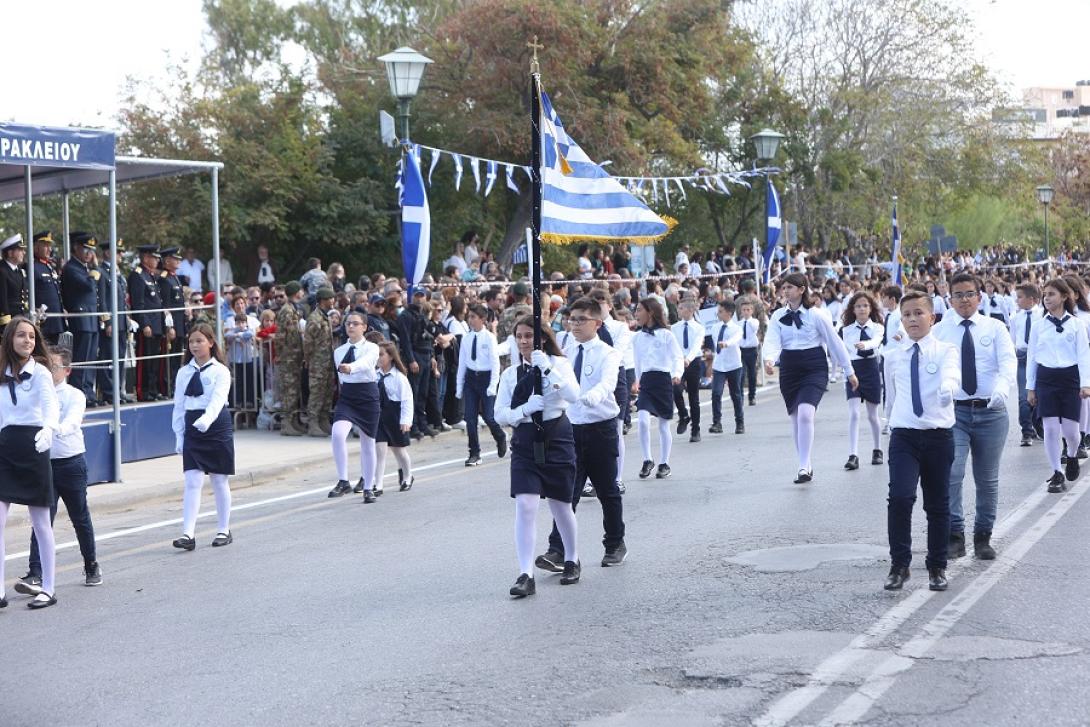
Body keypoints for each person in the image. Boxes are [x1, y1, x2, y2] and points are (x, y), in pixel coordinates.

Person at [538, 296, 626, 573]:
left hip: (600, 427)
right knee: (566, 492)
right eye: (571, 319)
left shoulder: (607, 353)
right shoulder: (565, 349)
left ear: (597, 323)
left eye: (581, 319)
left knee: (607, 490)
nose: (574, 324)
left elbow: (607, 383)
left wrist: (591, 398)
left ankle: (614, 543)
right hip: (570, 428)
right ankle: (557, 549)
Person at [931, 273, 1016, 561]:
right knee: (952, 473)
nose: (964, 299)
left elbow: (1007, 362)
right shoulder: (941, 330)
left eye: (969, 293)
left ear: (979, 297)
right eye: (958, 294)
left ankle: (983, 536)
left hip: (991, 411)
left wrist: (1002, 389)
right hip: (955, 412)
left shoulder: (995, 328)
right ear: (950, 298)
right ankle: (955, 533)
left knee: (987, 479)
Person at [494, 316, 581, 597]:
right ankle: (525, 573)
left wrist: (547, 369)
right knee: (526, 506)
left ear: (542, 337)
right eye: (519, 336)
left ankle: (571, 557)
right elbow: (499, 413)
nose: (523, 341)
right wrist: (523, 410)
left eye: (529, 335)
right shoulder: (511, 375)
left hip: (556, 437)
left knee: (560, 505)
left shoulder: (559, 365)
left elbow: (573, 395)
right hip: (525, 442)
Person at [883, 291, 959, 592]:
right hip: (904, 435)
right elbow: (890, 395)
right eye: (907, 315)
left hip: (938, 435)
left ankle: (937, 566)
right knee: (900, 497)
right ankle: (899, 565)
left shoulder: (945, 350)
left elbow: (952, 373)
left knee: (938, 504)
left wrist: (948, 387)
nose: (913, 319)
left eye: (918, 313)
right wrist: (887, 423)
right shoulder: (894, 356)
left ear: (932, 317)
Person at [20, 347, 101, 593]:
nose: (48, 371)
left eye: (53, 366)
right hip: (44, 463)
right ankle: (36, 571)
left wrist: (53, 429)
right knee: (42, 519)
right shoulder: (36, 394)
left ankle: (91, 564)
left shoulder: (74, 395)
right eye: (45, 366)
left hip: (71, 462)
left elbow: (73, 421)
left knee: (80, 517)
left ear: (67, 370)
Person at [763, 273, 857, 484]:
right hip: (789, 367)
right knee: (796, 418)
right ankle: (805, 463)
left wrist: (849, 371)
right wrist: (770, 359)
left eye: (789, 287)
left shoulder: (817, 315)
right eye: (783, 287)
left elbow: (835, 343)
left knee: (806, 414)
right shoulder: (778, 316)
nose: (785, 291)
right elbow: (772, 341)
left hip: (814, 366)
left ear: (801, 289)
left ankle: (804, 465)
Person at [0, 317, 60, 609]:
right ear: (10, 339)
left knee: (40, 523)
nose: (28, 341)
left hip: (34, 447)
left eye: (32, 337)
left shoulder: (41, 374)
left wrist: (48, 430)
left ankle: (48, 588)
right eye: (22, 336)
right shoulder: (1, 374)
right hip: (5, 448)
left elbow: (51, 408)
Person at [170, 322, 234, 550]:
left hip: (216, 425)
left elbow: (218, 400)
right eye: (191, 341)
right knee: (192, 480)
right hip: (192, 425)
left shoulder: (220, 371)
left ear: (211, 342)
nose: (195, 345)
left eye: (199, 341)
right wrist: (179, 435)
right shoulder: (183, 372)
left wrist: (207, 420)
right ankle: (188, 534)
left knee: (218, 479)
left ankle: (224, 529)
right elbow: (178, 405)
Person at [1026, 277, 1090, 494]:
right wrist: (1030, 387)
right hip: (1046, 379)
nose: (1046, 298)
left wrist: (1086, 384)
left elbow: (1083, 356)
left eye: (1051, 294)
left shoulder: (1077, 325)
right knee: (1051, 429)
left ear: (1064, 296)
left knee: (1072, 433)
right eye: (1045, 295)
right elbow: (1032, 357)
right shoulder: (1038, 326)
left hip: (1070, 379)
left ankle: (1071, 456)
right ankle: (1056, 473)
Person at [326, 311, 382, 503]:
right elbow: (342, 377)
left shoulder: (372, 348)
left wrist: (351, 368)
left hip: (367, 396)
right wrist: (348, 371)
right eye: (348, 323)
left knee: (367, 442)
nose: (350, 327)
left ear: (364, 327)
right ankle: (343, 480)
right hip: (348, 395)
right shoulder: (339, 351)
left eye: (355, 324)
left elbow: (366, 364)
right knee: (338, 434)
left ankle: (368, 487)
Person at [633, 297, 683, 479]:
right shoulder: (637, 337)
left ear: (650, 312)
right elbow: (637, 361)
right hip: (646, 381)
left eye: (639, 310)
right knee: (643, 420)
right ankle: (647, 459)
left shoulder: (666, 335)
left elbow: (677, 356)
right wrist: (637, 381)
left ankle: (664, 462)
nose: (636, 314)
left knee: (663, 424)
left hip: (663, 379)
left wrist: (677, 373)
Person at [456, 303, 508, 466]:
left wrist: (493, 385)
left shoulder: (489, 338)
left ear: (483, 319)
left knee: (489, 416)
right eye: (469, 316)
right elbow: (462, 363)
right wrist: (459, 386)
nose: (470, 320)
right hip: (471, 379)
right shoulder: (466, 338)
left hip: (486, 378)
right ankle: (474, 453)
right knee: (470, 419)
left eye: (473, 317)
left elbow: (494, 363)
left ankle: (500, 436)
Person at [839, 292, 884, 470]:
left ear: (870, 308)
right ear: (853, 310)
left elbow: (876, 341)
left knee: (873, 415)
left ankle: (877, 449)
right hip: (853, 370)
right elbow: (845, 350)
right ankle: (853, 454)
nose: (862, 309)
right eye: (858, 306)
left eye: (865, 305)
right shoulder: (847, 330)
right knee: (854, 414)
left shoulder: (878, 327)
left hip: (871, 368)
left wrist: (865, 345)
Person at [60, 232, 101, 406]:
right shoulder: (71, 268)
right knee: (82, 356)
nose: (89, 253)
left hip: (91, 317)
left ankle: (88, 392)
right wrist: (95, 269)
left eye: (91, 250)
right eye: (85, 249)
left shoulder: (83, 268)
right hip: (81, 317)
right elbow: (88, 286)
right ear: (76, 247)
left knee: (90, 357)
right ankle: (80, 392)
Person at [374, 341, 415, 493]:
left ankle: (407, 476)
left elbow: (407, 400)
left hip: (395, 416)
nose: (378, 358)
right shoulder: (374, 375)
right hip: (379, 416)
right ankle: (378, 484)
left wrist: (405, 421)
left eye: (381, 355)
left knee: (399, 450)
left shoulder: (399, 378)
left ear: (391, 356)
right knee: (380, 451)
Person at [129, 245, 167, 401]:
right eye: (154, 257)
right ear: (145, 258)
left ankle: (152, 389)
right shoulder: (138, 276)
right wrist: (144, 324)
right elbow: (139, 303)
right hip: (148, 325)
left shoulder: (150, 275)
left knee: (154, 361)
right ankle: (143, 391)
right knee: (145, 359)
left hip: (156, 324)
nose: (158, 260)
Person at [96, 236, 131, 404]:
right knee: (109, 357)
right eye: (118, 252)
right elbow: (102, 300)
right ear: (108, 253)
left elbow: (122, 299)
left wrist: (127, 318)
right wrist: (107, 321)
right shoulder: (102, 272)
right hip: (111, 323)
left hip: (122, 322)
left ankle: (118, 390)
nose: (121, 256)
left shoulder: (117, 273)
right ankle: (109, 392)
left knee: (120, 358)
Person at [704, 299, 745, 435]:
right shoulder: (715, 327)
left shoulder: (737, 328)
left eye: (720, 312)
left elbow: (736, 339)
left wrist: (726, 343)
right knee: (716, 393)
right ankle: (717, 422)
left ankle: (740, 422)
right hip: (719, 365)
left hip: (733, 364)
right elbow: (714, 344)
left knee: (736, 394)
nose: (718, 314)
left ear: (729, 313)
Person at [1010, 283, 1041, 447]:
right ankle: (1026, 431)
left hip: (1039, 357)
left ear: (1032, 299)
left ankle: (1038, 425)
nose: (1017, 301)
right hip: (1022, 357)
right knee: (1023, 396)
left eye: (1020, 297)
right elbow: (1013, 340)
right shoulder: (1015, 317)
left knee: (1039, 396)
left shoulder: (1042, 315)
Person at [304, 288, 336, 437]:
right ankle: (313, 423)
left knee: (328, 392)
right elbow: (308, 343)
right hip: (317, 363)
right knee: (316, 393)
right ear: (323, 300)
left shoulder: (325, 317)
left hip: (327, 362)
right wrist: (309, 360)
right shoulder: (314, 318)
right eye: (331, 298)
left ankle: (323, 420)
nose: (333, 301)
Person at [275, 281, 306, 435]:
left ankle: (294, 421)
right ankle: (287, 424)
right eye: (300, 291)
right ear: (296, 292)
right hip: (288, 356)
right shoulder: (287, 311)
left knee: (294, 390)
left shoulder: (293, 309)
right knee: (289, 391)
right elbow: (281, 336)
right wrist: (281, 354)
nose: (302, 293)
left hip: (294, 356)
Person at [671, 300, 705, 443]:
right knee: (676, 390)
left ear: (690, 310)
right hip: (678, 362)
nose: (678, 310)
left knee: (693, 397)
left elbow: (697, 346)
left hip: (693, 362)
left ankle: (695, 429)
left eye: (681, 308)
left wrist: (688, 359)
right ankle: (683, 415)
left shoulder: (698, 328)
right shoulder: (674, 328)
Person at [159, 247, 187, 398]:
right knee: (170, 360)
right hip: (172, 324)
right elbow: (166, 305)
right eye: (175, 259)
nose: (178, 261)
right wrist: (169, 326)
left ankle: (175, 387)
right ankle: (168, 388)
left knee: (177, 358)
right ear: (167, 261)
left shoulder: (174, 277)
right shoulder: (164, 278)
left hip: (180, 322)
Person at [32, 231, 66, 346]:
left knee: (53, 357)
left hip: (55, 321)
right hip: (43, 322)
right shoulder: (33, 267)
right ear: (36, 248)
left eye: (49, 246)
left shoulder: (49, 267)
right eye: (45, 246)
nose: (49, 249)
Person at [738, 301, 760, 406]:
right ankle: (740, 397)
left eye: (748, 310)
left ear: (752, 311)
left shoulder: (754, 321)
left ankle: (752, 396)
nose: (746, 312)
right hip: (741, 350)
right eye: (744, 310)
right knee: (741, 374)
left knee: (752, 374)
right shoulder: (739, 323)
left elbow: (754, 328)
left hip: (751, 350)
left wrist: (747, 319)